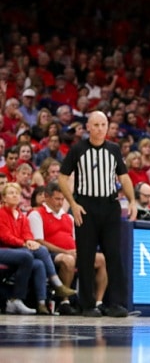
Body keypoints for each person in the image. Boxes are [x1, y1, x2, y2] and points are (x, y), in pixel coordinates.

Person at [58, 111, 137, 317]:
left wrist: (133, 201)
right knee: (85, 256)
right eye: (96, 125)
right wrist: (73, 204)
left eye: (104, 124)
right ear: (89, 127)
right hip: (85, 206)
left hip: (110, 206)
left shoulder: (113, 149)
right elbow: (62, 178)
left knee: (114, 255)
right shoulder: (78, 149)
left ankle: (117, 303)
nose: (100, 128)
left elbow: (125, 177)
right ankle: (87, 304)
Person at [28, 181, 109, 316]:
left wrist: (82, 251)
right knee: (68, 260)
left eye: (62, 199)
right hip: (49, 255)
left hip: (72, 252)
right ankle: (64, 302)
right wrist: (65, 251)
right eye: (56, 199)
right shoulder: (36, 214)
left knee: (101, 259)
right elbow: (39, 241)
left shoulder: (69, 217)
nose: (60, 203)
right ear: (46, 197)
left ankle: (98, 303)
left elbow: (76, 240)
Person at [0, 182, 76, 314]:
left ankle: (41, 304)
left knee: (39, 263)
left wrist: (29, 240)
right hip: (4, 250)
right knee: (32, 253)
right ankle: (57, 284)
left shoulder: (21, 215)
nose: (15, 195)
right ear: (4, 198)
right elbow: (5, 236)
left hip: (19, 250)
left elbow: (27, 233)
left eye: (17, 193)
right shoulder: (1, 214)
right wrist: (25, 244)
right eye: (11, 193)